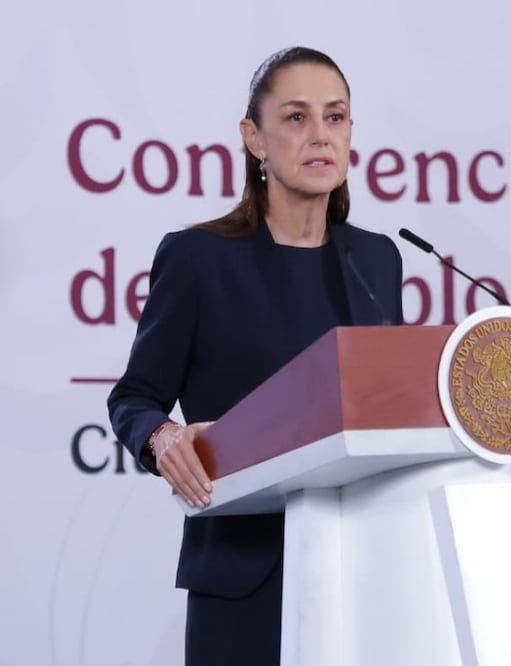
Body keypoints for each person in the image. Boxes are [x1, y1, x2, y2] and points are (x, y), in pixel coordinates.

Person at [107, 46, 404, 666]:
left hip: (366, 571)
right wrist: (163, 438)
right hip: (243, 576)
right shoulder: (198, 258)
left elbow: (388, 409)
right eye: (296, 117)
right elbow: (134, 397)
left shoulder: (377, 260)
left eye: (335, 117)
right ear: (254, 138)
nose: (320, 135)